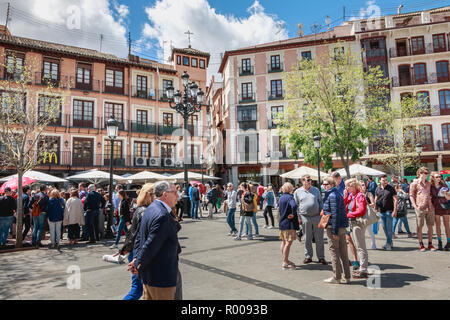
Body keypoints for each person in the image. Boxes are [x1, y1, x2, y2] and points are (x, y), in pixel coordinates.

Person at [129, 181, 180, 300]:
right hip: (160, 277)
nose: (177, 196)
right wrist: (137, 264)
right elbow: (150, 245)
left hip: (150, 274)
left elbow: (140, 238)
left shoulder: (151, 208)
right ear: (165, 194)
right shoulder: (162, 215)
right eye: (175, 192)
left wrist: (136, 259)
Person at [116, 183, 155, 300]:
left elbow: (132, 233)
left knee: (143, 289)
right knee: (137, 290)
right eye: (155, 194)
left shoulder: (140, 209)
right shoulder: (145, 212)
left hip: (136, 252)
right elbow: (137, 235)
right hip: (138, 253)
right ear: (149, 195)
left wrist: (123, 250)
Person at [322, 177, 351, 284]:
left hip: (334, 227)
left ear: (332, 184)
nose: (324, 186)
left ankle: (336, 277)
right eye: (323, 184)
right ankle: (347, 276)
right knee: (343, 251)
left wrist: (334, 231)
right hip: (341, 226)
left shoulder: (332, 195)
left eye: (326, 184)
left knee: (334, 251)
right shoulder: (336, 194)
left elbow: (335, 214)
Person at [294, 175, 326, 265]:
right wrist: (298, 217)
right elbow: (296, 205)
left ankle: (321, 257)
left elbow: (320, 202)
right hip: (305, 217)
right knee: (307, 238)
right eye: (308, 180)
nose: (309, 181)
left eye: (310, 180)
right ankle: (308, 256)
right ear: (302, 181)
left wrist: (321, 215)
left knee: (319, 238)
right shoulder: (297, 191)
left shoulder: (315, 190)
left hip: (317, 216)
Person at [344, 179, 368, 278]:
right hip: (352, 222)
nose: (346, 188)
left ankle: (363, 269)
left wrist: (349, 214)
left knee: (360, 246)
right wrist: (345, 197)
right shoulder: (351, 196)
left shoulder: (360, 196)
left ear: (353, 186)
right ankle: (362, 268)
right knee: (358, 245)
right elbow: (345, 206)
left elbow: (362, 210)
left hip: (358, 223)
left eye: (348, 186)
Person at [410, 167, 436, 252]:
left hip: (430, 207)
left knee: (430, 226)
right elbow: (411, 195)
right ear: (420, 173)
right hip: (420, 207)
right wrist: (415, 206)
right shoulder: (415, 183)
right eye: (425, 173)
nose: (426, 174)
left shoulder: (429, 183)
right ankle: (421, 243)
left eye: (427, 173)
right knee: (420, 226)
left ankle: (430, 243)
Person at [374, 174, 398, 251]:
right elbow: (376, 199)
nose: (385, 182)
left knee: (389, 228)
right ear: (380, 180)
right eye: (383, 180)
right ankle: (390, 242)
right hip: (381, 211)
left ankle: (388, 244)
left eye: (386, 180)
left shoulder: (391, 188)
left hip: (389, 211)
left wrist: (395, 210)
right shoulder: (377, 189)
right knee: (384, 228)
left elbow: (396, 200)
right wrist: (375, 208)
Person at [278, 182, 299, 269]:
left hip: (282, 222)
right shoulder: (290, 197)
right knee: (288, 243)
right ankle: (285, 261)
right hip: (289, 223)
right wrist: (293, 214)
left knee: (283, 242)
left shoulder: (281, 198)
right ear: (290, 188)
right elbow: (294, 206)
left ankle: (284, 259)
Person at [430, 172, 450, 251]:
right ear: (433, 178)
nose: (439, 178)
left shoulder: (444, 185)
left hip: (445, 206)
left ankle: (448, 242)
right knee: (437, 225)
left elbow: (448, 198)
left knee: (446, 225)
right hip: (435, 207)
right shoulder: (431, 186)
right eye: (437, 177)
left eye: (439, 177)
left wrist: (445, 194)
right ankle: (439, 242)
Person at [361, 182, 377, 249]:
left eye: (364, 185)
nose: (363, 186)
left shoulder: (369, 193)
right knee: (361, 232)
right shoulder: (358, 194)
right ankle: (362, 245)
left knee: (370, 231)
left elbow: (373, 203)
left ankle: (373, 244)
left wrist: (366, 205)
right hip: (361, 215)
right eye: (361, 185)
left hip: (368, 214)